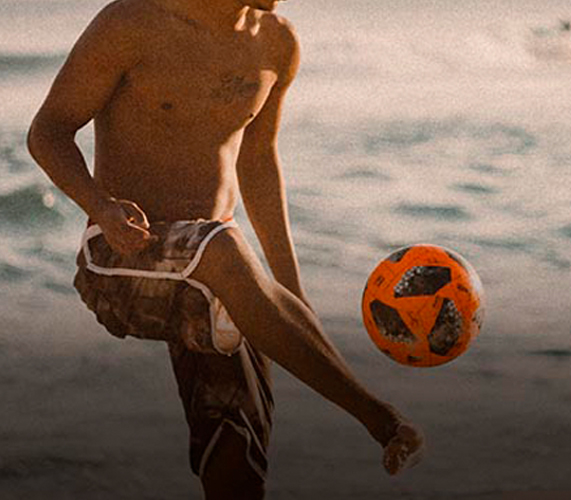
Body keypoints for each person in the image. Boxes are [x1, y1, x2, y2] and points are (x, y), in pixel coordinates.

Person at [27, 0, 424, 497]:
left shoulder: (277, 42)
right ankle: (379, 417)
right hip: (121, 258)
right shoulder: (131, 24)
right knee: (224, 248)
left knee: (237, 452)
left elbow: (257, 161)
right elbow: (48, 130)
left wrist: (291, 295)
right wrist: (101, 207)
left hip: (217, 271)